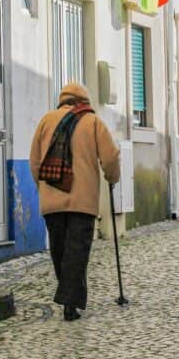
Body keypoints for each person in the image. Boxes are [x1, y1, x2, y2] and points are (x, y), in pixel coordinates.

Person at [29, 82, 120, 321]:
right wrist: (112, 177)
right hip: (83, 201)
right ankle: (70, 302)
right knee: (77, 252)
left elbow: (35, 161)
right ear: (83, 101)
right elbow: (110, 157)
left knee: (60, 251)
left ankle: (69, 299)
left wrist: (44, 188)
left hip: (52, 201)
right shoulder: (92, 122)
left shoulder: (46, 121)